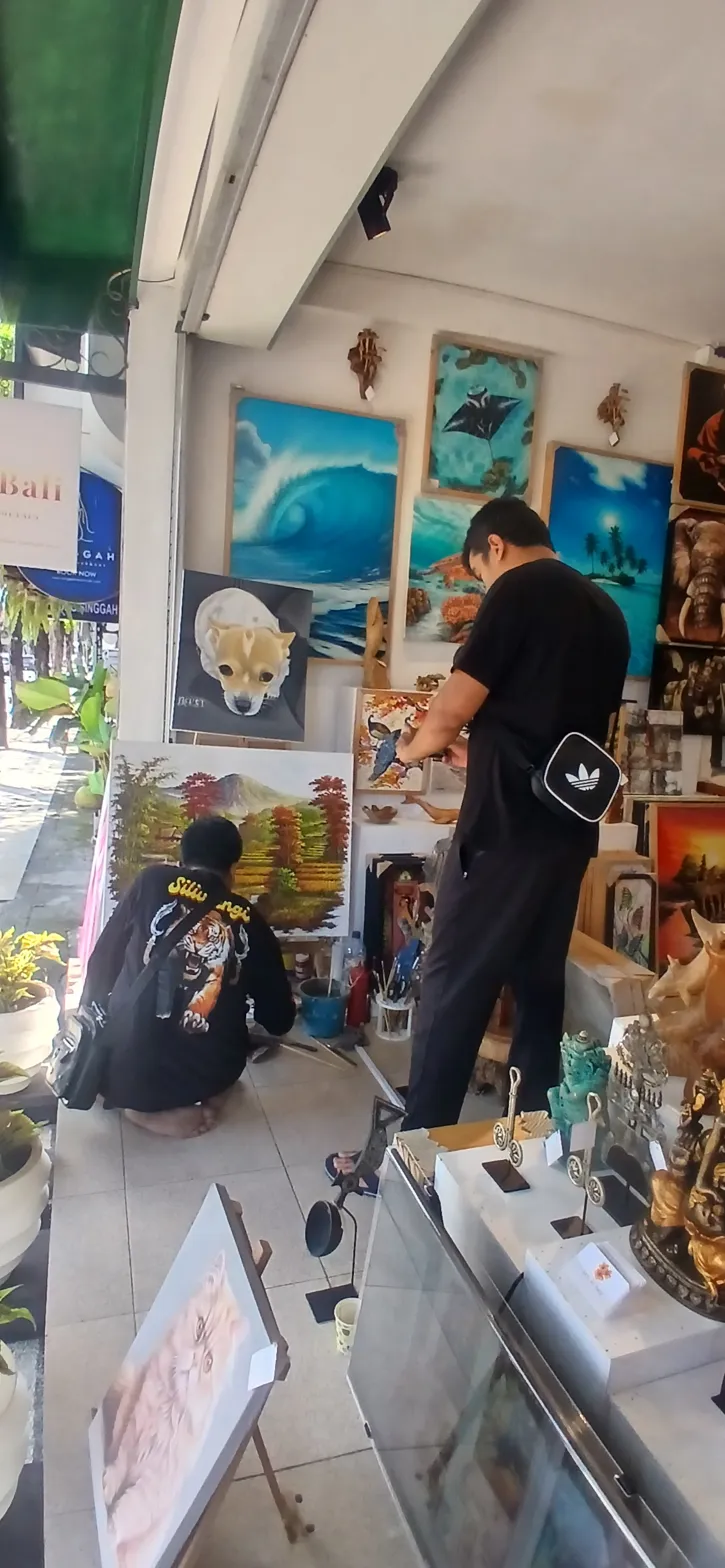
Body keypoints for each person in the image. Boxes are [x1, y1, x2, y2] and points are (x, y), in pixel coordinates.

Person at [391, 495, 630, 1127]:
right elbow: (551, 735)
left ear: (495, 546)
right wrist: (480, 750)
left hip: (501, 835)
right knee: (538, 989)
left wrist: (410, 745)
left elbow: (447, 712)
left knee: (452, 988)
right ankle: (529, 1136)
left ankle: (421, 1151)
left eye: (478, 573)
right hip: (568, 834)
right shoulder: (608, 611)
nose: (482, 585)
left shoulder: (519, 590)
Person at [82, 815, 295, 1137]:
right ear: (233, 867)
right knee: (229, 1052)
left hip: (122, 1072)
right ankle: (199, 1101)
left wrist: (94, 1020)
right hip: (207, 1074)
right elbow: (279, 1020)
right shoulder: (249, 920)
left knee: (131, 1045)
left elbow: (103, 960)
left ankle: (138, 1110)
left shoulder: (150, 881)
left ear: (182, 859)